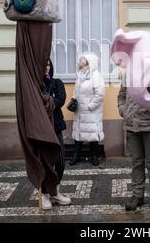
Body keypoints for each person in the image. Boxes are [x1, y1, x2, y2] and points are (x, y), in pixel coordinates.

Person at [118, 75, 150, 214]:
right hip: (131, 125)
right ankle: (137, 195)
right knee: (137, 162)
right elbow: (121, 95)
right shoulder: (128, 74)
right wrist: (123, 110)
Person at [44, 58, 71, 205]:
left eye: (48, 65)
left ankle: (55, 191)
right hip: (42, 128)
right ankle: (44, 193)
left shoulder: (56, 83)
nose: (45, 67)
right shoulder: (36, 85)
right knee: (45, 162)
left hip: (56, 127)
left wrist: (46, 99)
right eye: (43, 65)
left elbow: (61, 100)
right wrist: (50, 99)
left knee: (60, 162)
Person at [70, 53, 105, 166]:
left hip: (91, 112)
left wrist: (90, 106)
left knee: (92, 134)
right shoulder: (80, 76)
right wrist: (73, 100)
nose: (80, 64)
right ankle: (76, 155)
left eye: (82, 62)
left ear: (89, 63)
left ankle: (94, 156)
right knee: (78, 134)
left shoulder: (96, 76)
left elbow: (100, 94)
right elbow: (76, 92)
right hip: (79, 111)